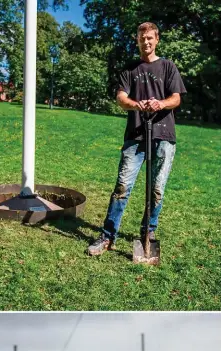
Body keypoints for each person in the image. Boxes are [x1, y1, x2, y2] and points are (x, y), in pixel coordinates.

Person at [88, 22, 186, 256]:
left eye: (150, 38)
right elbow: (121, 98)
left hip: (163, 136)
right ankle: (108, 236)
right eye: (142, 38)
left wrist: (160, 103)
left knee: (157, 190)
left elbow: (176, 98)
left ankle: (148, 233)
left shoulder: (168, 66)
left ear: (157, 39)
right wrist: (136, 104)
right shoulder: (130, 69)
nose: (146, 42)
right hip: (136, 136)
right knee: (122, 187)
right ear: (137, 40)